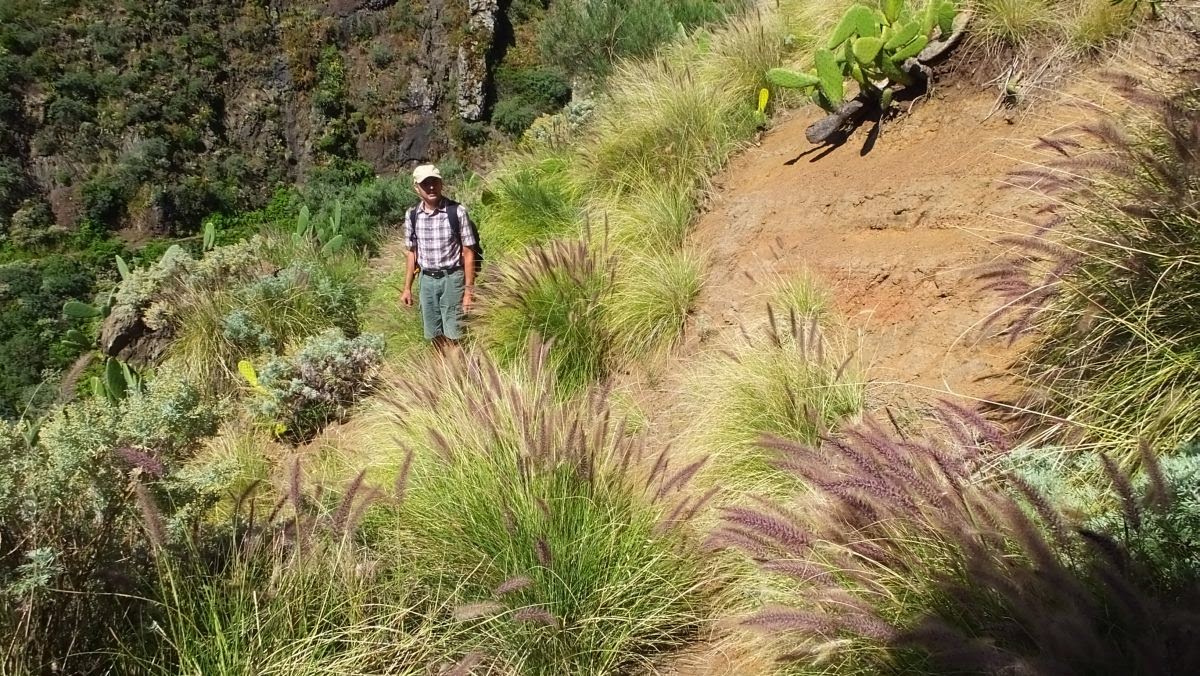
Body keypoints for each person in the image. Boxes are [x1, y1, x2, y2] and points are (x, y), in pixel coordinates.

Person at [400, 164, 479, 351]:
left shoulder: (457, 212)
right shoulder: (412, 215)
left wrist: (468, 292)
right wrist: (407, 288)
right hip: (426, 280)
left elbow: (469, 252)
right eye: (425, 184)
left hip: (452, 279)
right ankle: (441, 373)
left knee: (454, 334)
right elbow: (412, 253)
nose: (431, 187)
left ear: (441, 183)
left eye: (434, 182)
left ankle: (457, 373)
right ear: (416, 188)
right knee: (434, 333)